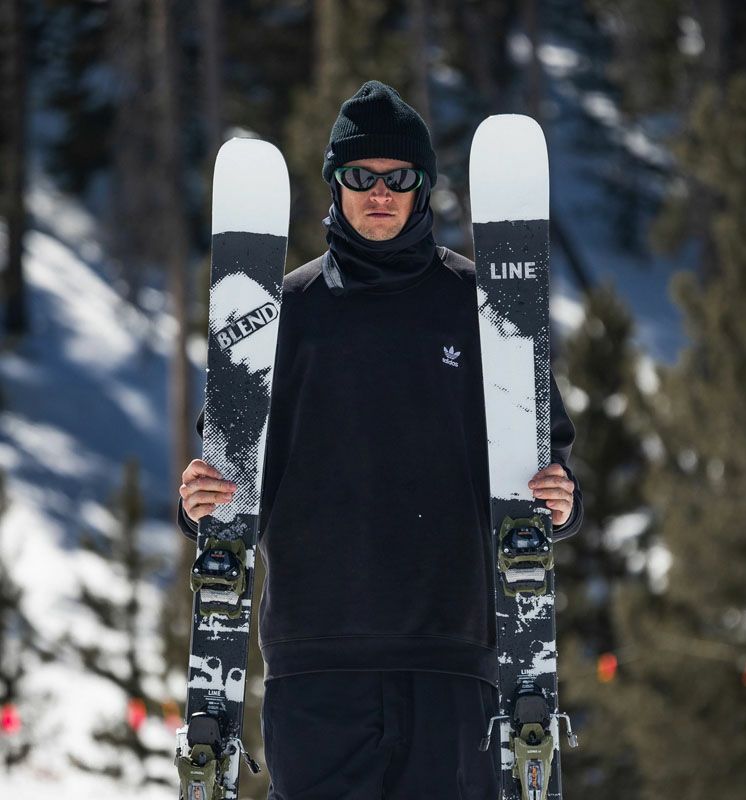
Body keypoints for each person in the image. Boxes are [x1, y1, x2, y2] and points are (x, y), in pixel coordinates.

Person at [177, 81, 583, 800]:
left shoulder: (485, 307)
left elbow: (544, 458)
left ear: (424, 187)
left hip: (452, 655)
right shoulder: (280, 314)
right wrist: (199, 501)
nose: (380, 193)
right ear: (335, 183)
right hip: (315, 660)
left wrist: (561, 499)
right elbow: (226, 476)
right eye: (361, 176)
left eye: (399, 178)